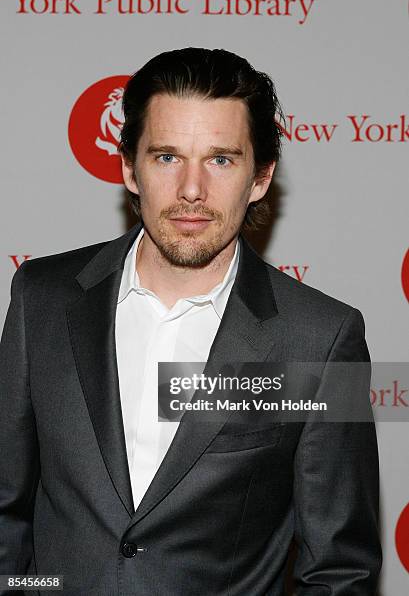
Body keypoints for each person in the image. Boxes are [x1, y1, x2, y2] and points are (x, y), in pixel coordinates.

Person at [0, 47, 381, 595]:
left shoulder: (320, 341)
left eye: (221, 159)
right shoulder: (42, 298)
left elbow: (340, 570)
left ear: (261, 177)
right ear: (129, 167)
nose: (191, 190)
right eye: (167, 157)